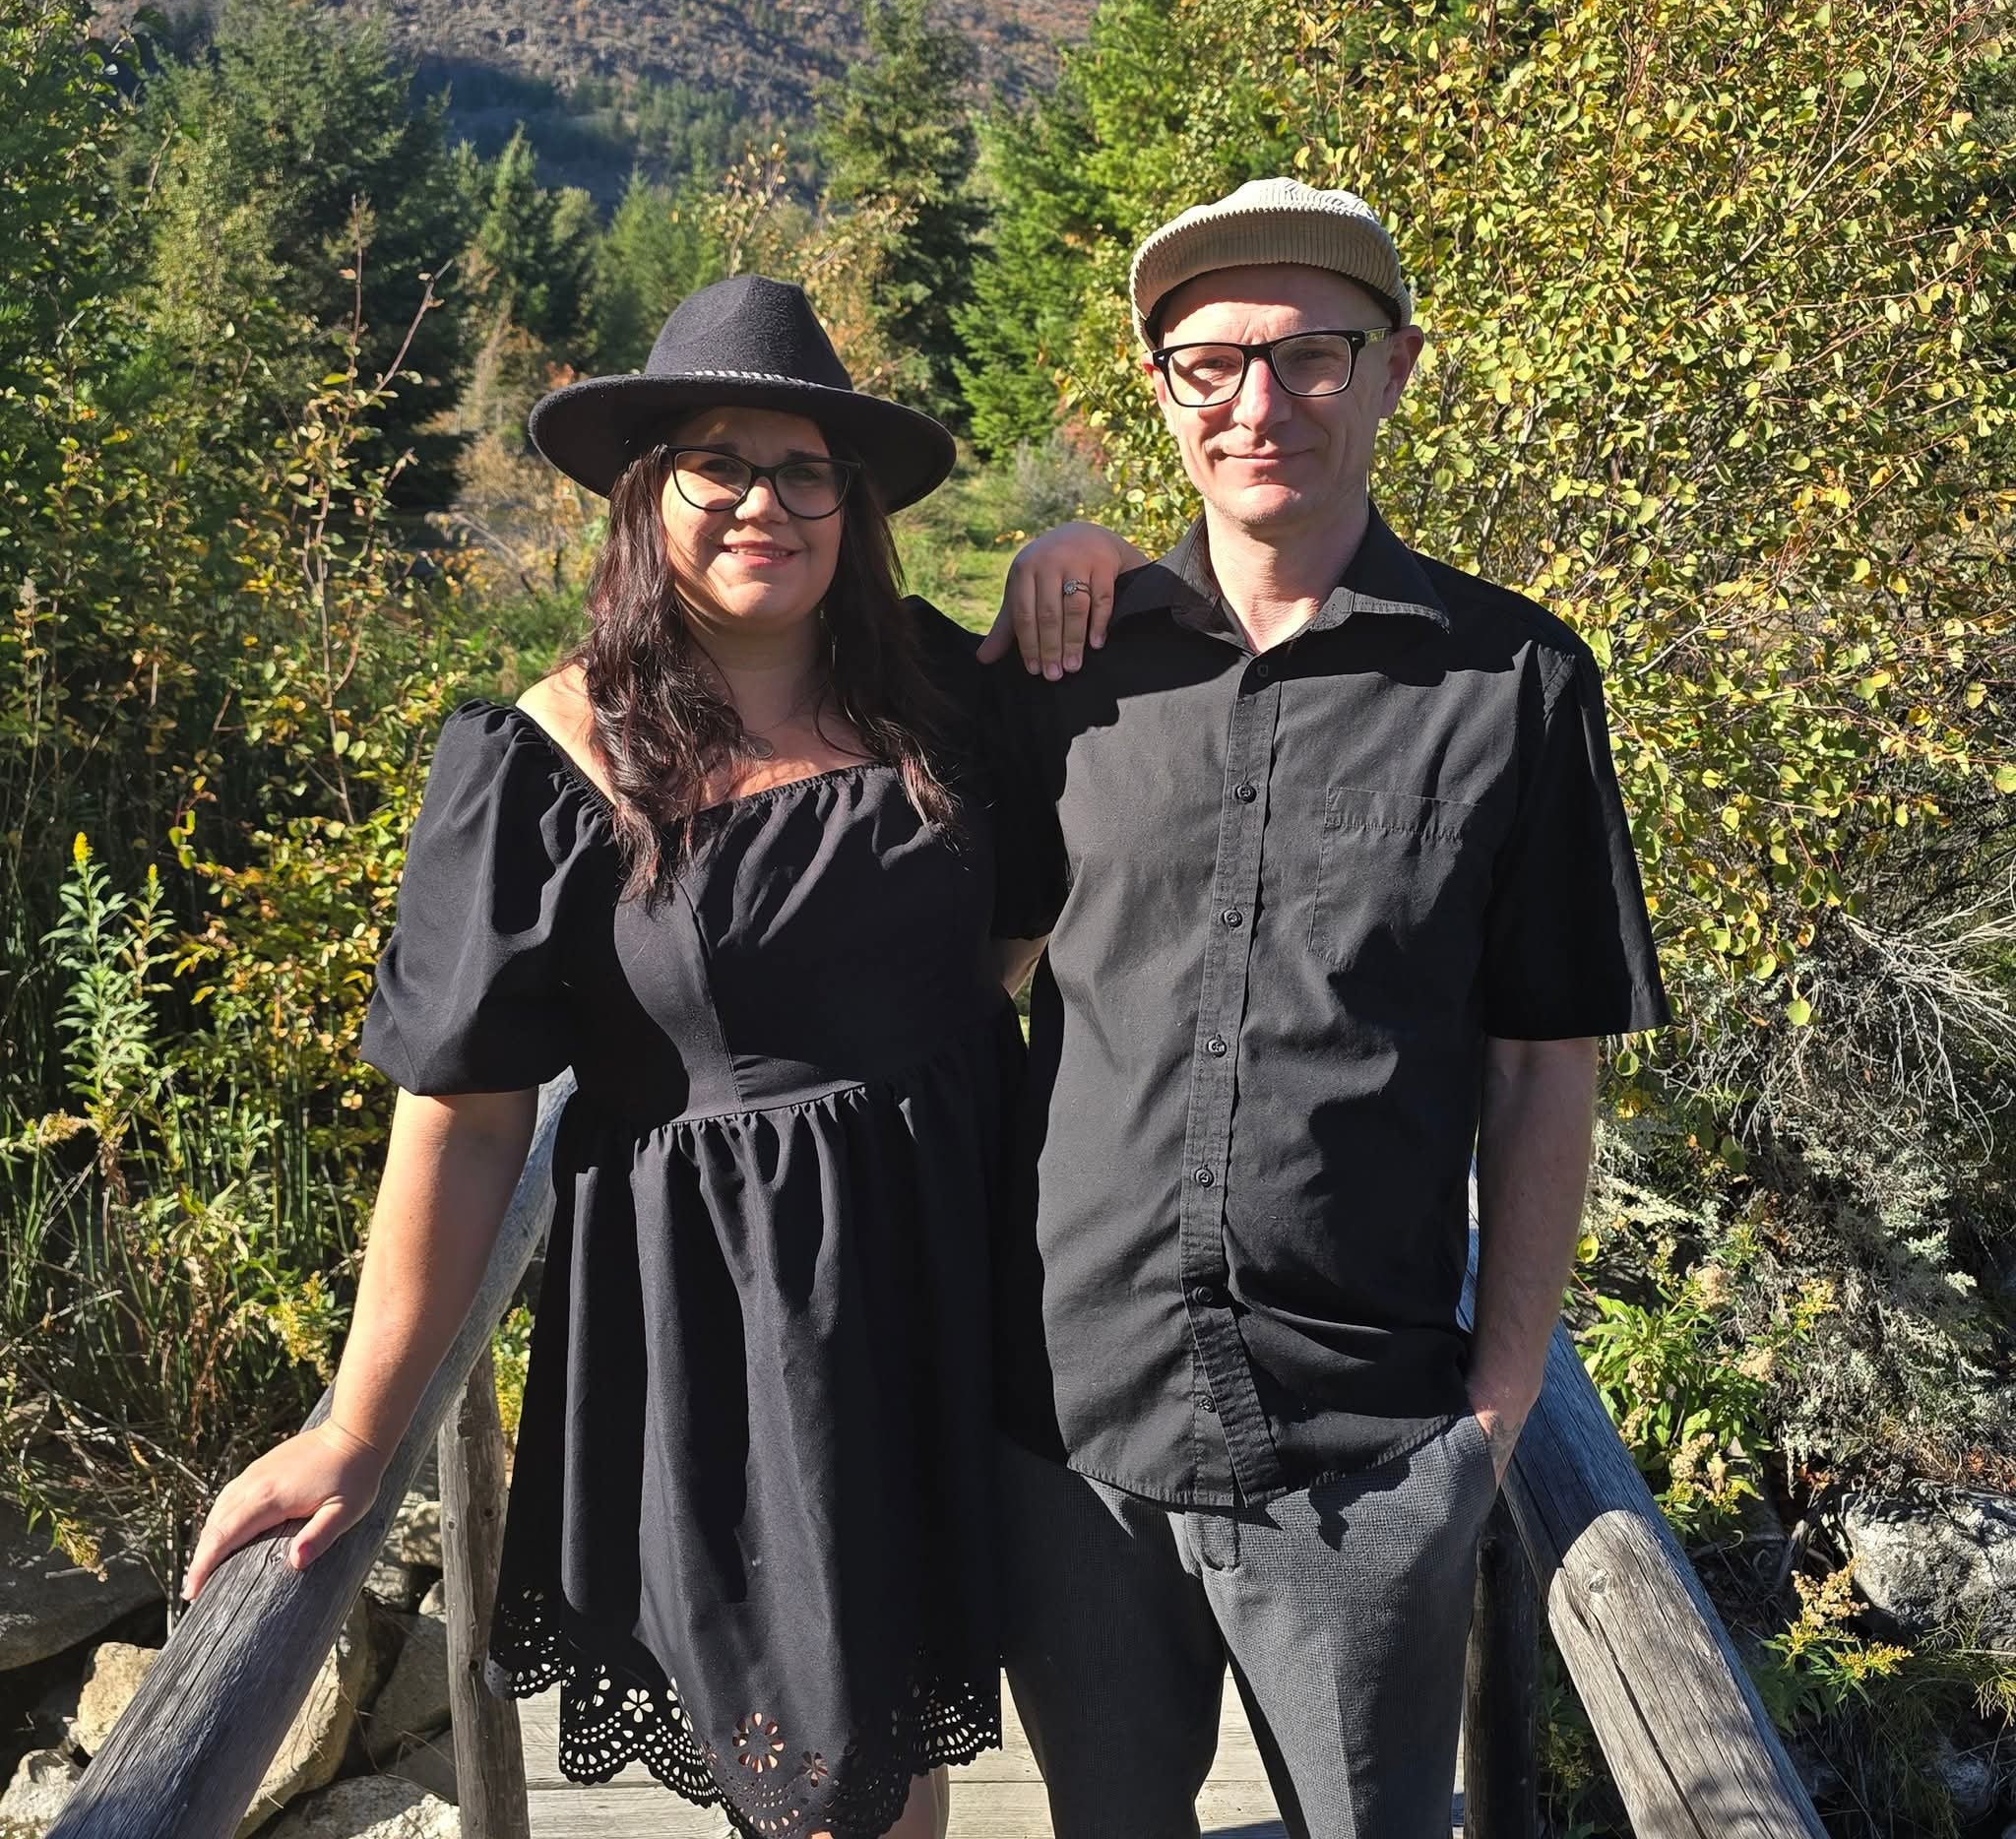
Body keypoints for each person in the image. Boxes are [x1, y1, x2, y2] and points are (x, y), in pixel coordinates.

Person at [180, 274, 1138, 1839]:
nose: (765, 500)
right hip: (742, 1324)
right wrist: (356, 1428)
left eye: (806, 468)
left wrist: (1082, 552)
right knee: (831, 1784)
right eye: (720, 461)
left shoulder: (940, 703)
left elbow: (1008, 943)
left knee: (920, 1732)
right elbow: (468, 1118)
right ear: (649, 495)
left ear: (854, 503)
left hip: (972, 1275)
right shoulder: (547, 759)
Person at [985, 178, 1670, 1839]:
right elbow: (948, 976)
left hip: (1366, 1451)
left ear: (1393, 371)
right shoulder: (1065, 680)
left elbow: (1541, 1064)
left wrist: (1493, 1423)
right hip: (1067, 1430)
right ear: (1162, 392)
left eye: (1310, 354)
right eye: (1210, 364)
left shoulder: (1513, 680)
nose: (1259, 402)